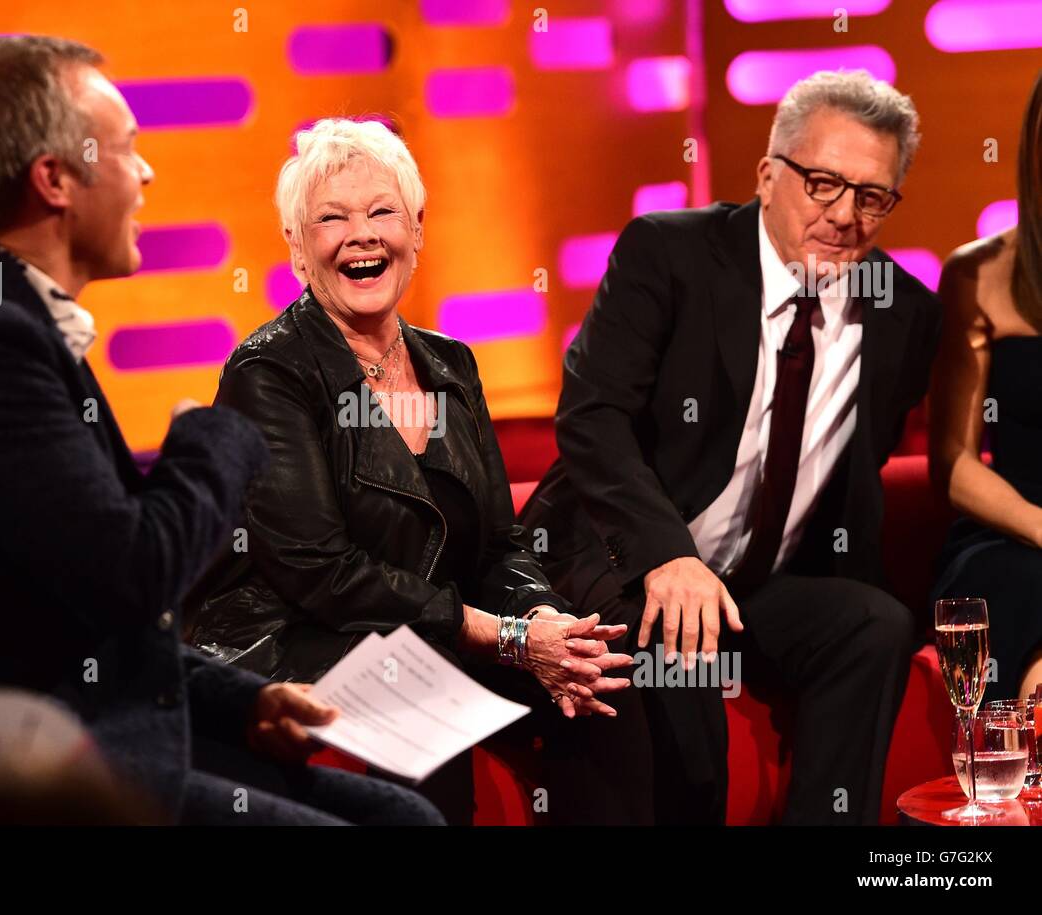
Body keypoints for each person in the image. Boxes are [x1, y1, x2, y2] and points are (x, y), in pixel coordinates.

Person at [0, 36, 442, 826]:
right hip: (7, 783)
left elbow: (76, 601)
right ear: (55, 179)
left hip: (65, 727)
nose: (146, 173)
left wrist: (243, 701)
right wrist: (211, 437)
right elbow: (135, 569)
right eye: (127, 149)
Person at [187, 118, 647, 826]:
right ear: (298, 249)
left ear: (417, 229)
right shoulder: (271, 372)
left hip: (436, 627)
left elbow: (499, 543)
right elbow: (323, 571)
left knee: (601, 682)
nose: (362, 235)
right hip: (295, 638)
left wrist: (542, 618)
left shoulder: (450, 365)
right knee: (428, 679)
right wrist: (506, 637)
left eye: (382, 212)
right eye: (331, 218)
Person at [520, 70, 943, 824]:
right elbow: (592, 415)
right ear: (769, 174)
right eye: (822, 183)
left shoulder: (903, 313)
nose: (845, 215)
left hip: (753, 579)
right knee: (679, 653)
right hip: (622, 554)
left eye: (872, 196)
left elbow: (862, 466)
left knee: (874, 623)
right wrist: (665, 554)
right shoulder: (669, 253)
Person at [929, 70, 1042, 704]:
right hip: (1013, 528)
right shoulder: (978, 273)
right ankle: (1024, 775)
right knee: (1020, 579)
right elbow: (953, 462)